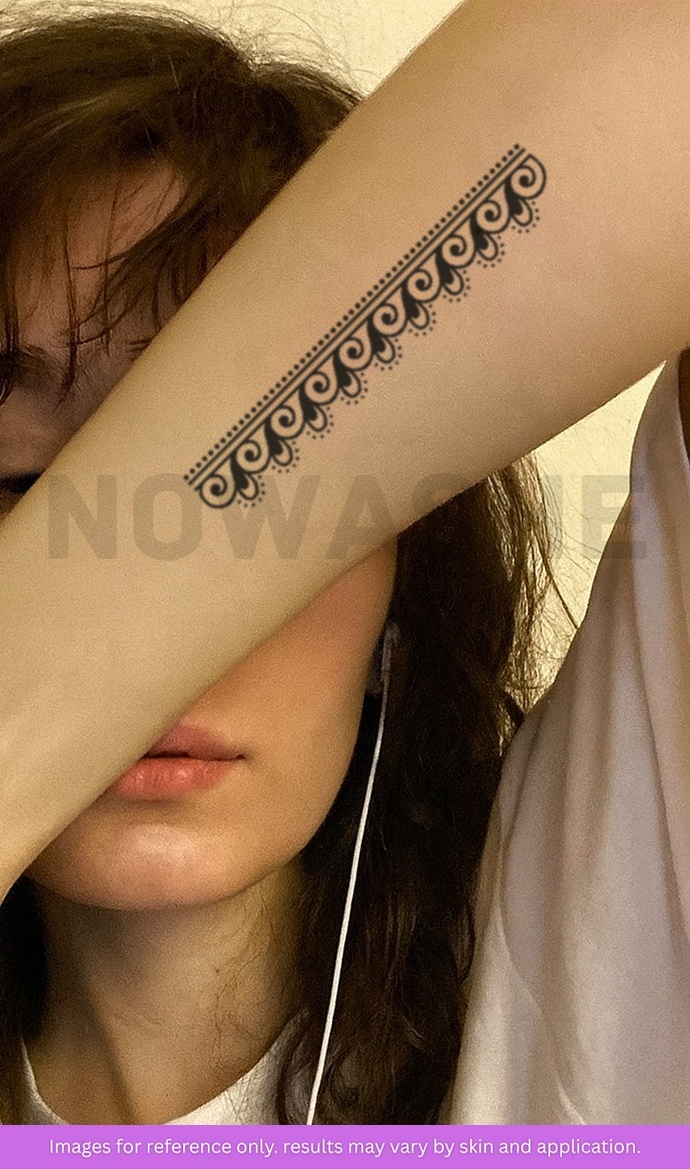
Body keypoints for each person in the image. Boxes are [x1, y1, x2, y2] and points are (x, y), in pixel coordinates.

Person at [0, 4, 558, 1124]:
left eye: (261, 484)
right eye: (27, 484)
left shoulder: (573, 1015)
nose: (151, 595)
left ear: (402, 606)